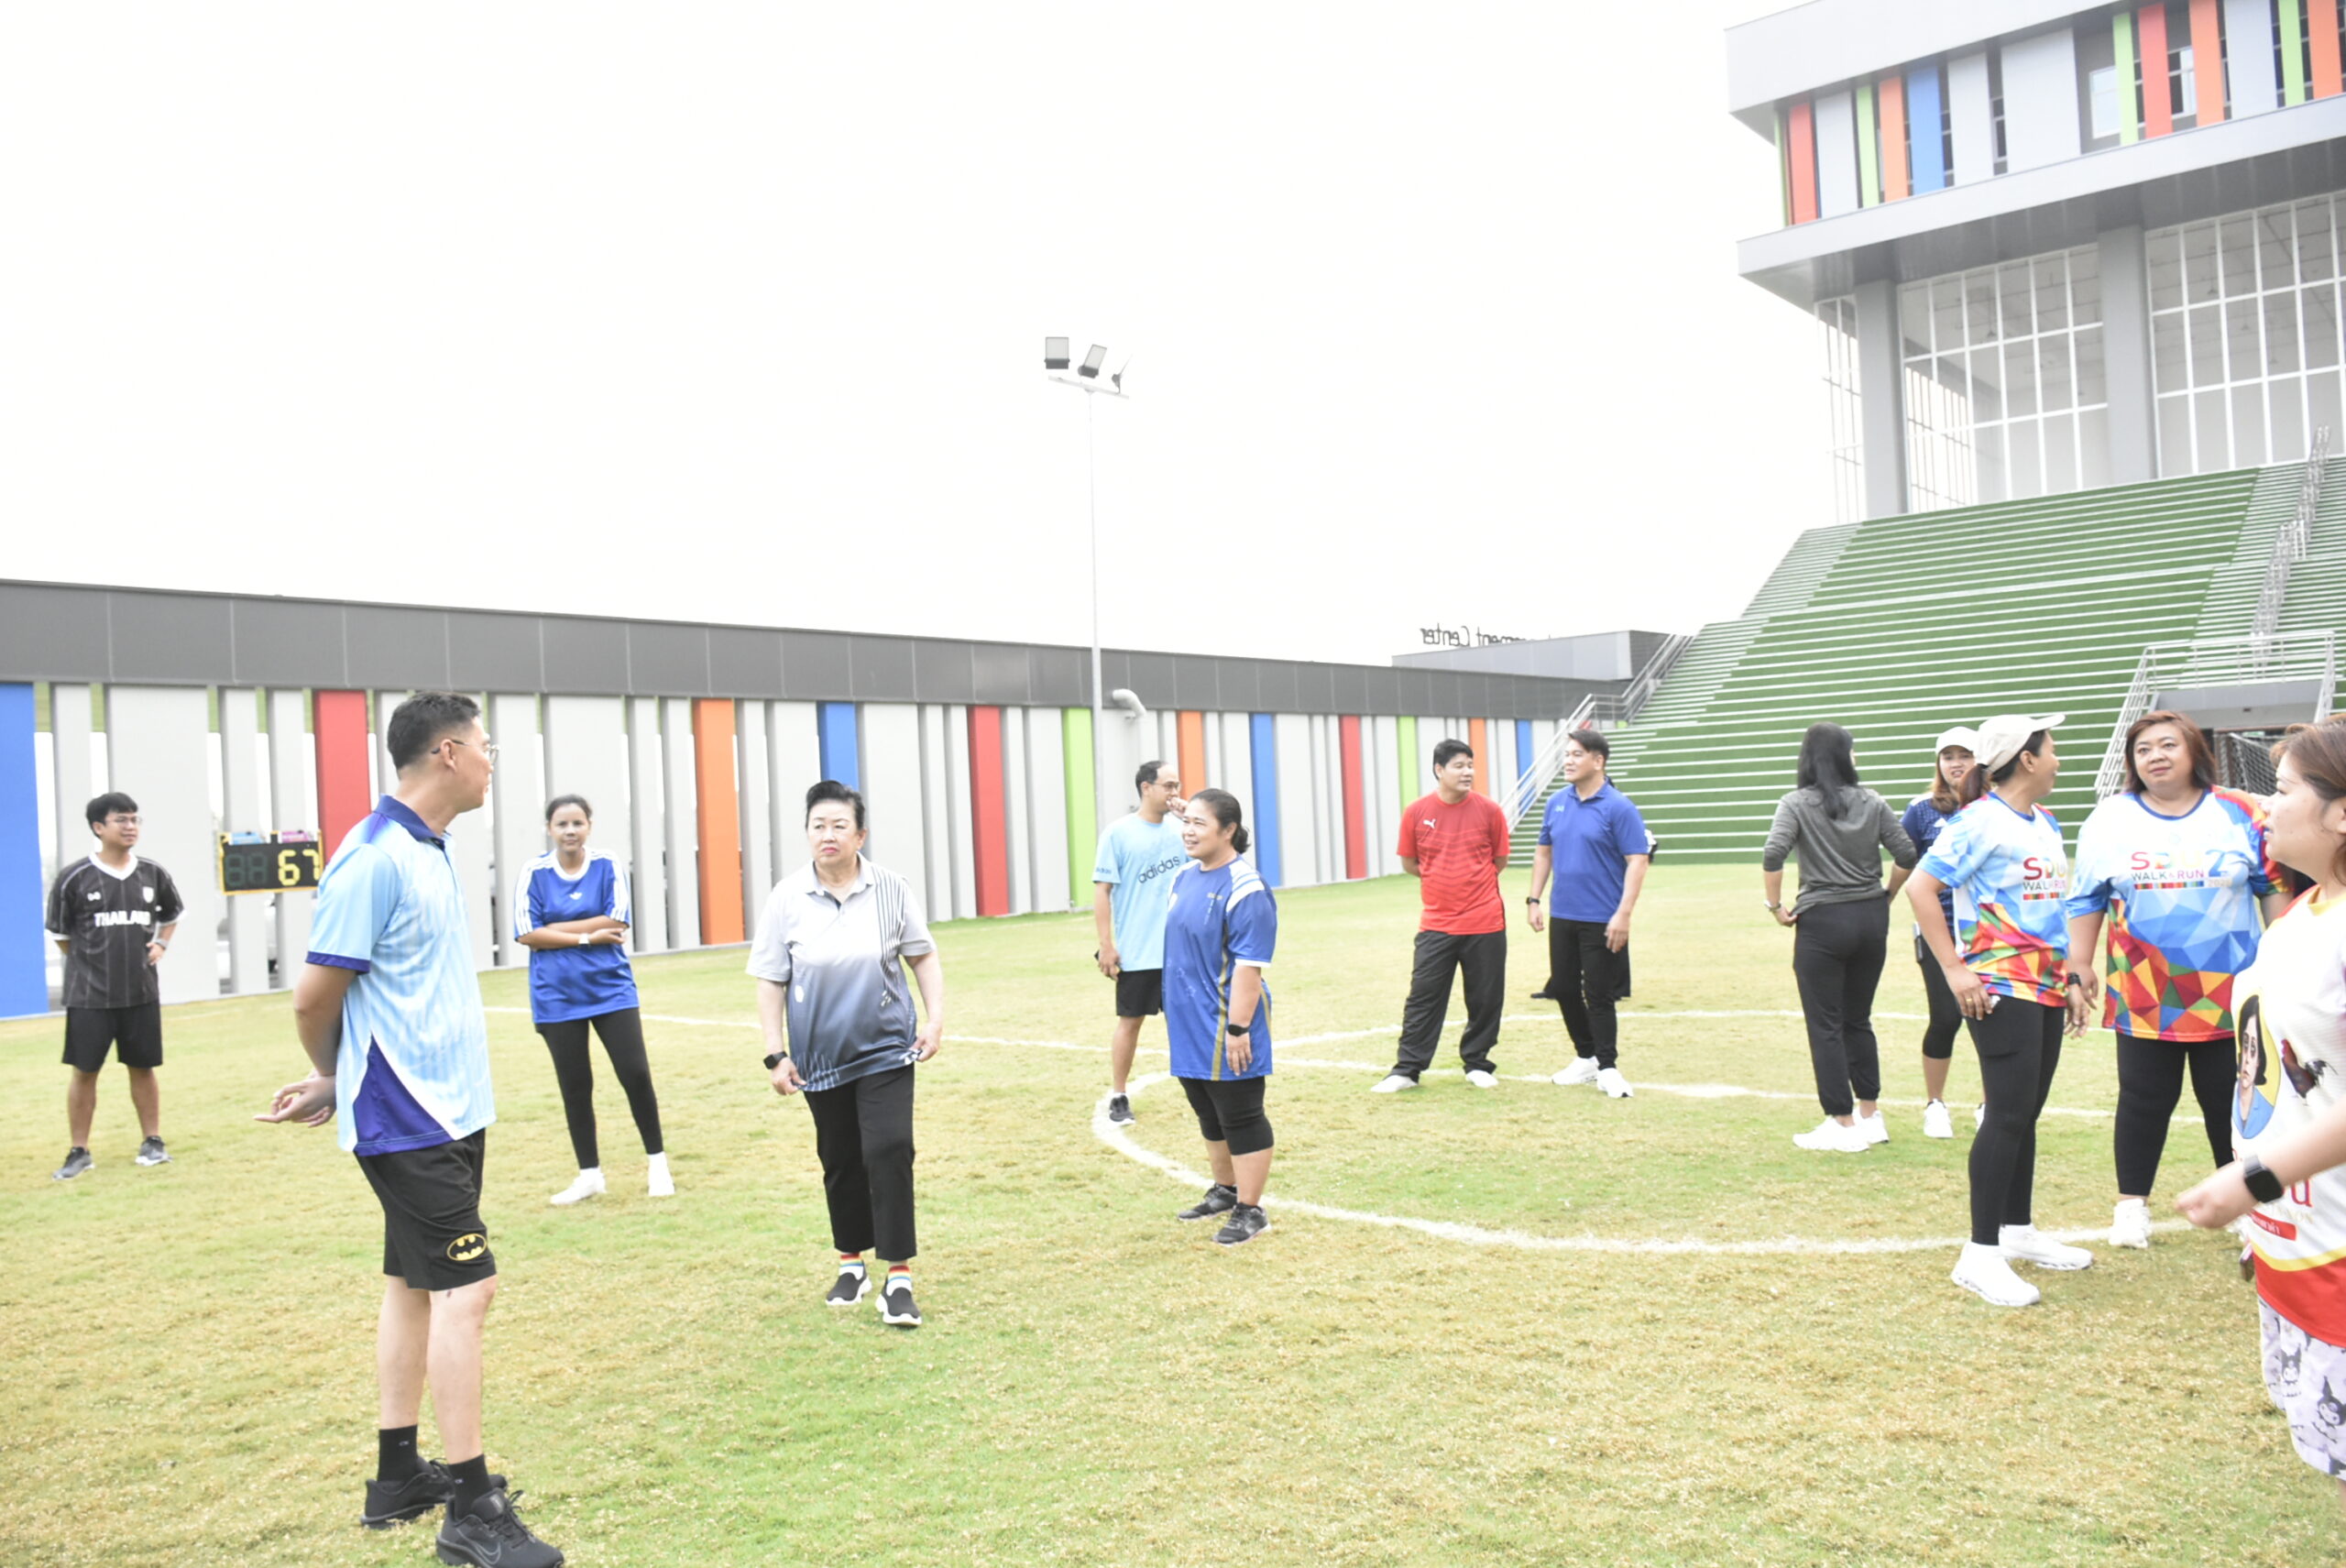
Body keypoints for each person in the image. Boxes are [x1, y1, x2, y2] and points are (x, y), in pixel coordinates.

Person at [255, 693, 564, 1567]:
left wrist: (340, 1075)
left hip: (449, 1106)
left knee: (414, 1282)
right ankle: (471, 1507)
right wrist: (335, 1075)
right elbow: (314, 996)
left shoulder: (432, 846)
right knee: (470, 1289)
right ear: (449, 753)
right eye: (486, 745)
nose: (493, 760)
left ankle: (397, 1474)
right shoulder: (373, 858)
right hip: (407, 1113)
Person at [2176, 717, 2346, 1506]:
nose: (2262, 806)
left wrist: (2254, 1179)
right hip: (2297, 1240)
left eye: (2280, 789)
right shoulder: (2304, 910)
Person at [2066, 712, 2283, 1248]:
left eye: (2167, 745)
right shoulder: (2110, 818)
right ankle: (2131, 1207)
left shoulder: (2240, 810)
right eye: (2143, 749)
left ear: (2193, 751)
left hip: (2232, 991)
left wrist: (2283, 958)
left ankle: (2245, 1206)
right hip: (2145, 992)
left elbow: (2272, 887)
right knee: (2143, 1099)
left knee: (2231, 1102)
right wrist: (2080, 964)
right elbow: (2086, 899)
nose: (2155, 756)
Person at [1906, 713, 2095, 1309]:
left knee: (2024, 1112)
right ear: (2028, 758)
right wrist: (1955, 969)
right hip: (1998, 986)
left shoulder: (2045, 820)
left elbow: (2054, 907)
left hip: (2044, 983)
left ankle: (2017, 1230)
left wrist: (2069, 975)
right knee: (2006, 1113)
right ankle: (1980, 1254)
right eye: (2051, 748)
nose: (2058, 758)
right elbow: (1919, 888)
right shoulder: (1978, 821)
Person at [750, 780, 944, 1329]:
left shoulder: (891, 888)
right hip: (818, 1055)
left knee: (890, 1148)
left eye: (839, 825)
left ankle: (898, 1276)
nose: (827, 835)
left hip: (886, 1047)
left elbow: (922, 956)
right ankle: (850, 1263)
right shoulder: (786, 897)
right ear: (807, 834)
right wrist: (775, 1054)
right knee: (839, 1158)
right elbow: (770, 978)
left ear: (860, 835)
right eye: (818, 826)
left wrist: (934, 1021)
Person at [1761, 723, 1918, 1153]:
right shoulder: (1872, 801)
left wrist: (1775, 906)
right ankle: (1870, 1114)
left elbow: (1774, 852)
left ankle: (1842, 1122)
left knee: (1825, 1024)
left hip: (1823, 920)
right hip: (1870, 917)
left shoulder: (1795, 803)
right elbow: (1906, 853)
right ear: (1845, 756)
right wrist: (1887, 894)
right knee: (1857, 1018)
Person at [513, 794, 671, 1204]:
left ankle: (658, 1165)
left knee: (635, 1073)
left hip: (610, 989)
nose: (570, 831)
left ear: (589, 826)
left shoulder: (607, 864)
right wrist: (587, 936)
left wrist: (554, 930)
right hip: (556, 996)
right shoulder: (534, 872)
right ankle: (589, 1175)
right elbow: (526, 933)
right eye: (562, 824)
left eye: (577, 823)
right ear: (549, 829)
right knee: (575, 1085)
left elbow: (616, 921)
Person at [1161, 788, 1279, 1246]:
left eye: (1200, 824)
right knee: (1207, 1108)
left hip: (1227, 1019)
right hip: (1187, 1018)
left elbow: (1250, 966)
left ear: (1228, 831)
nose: (1188, 832)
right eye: (1186, 822)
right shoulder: (1184, 876)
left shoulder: (1246, 887)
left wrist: (1238, 1028)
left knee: (1240, 1113)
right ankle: (1226, 1190)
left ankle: (1251, 1210)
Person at [44, 791, 182, 1179]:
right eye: (121, 820)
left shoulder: (153, 873)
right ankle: (79, 1151)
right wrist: (92, 962)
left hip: (140, 992)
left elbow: (172, 914)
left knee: (143, 1067)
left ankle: (153, 1142)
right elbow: (61, 934)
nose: (130, 826)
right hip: (89, 996)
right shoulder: (74, 877)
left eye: (135, 819)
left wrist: (161, 943)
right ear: (98, 827)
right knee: (84, 1071)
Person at [1375, 739, 1511, 1094]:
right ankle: (1407, 1069)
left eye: (1470, 765)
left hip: (1485, 921)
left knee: (1485, 998)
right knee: (1423, 997)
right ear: (1439, 770)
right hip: (1437, 923)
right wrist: (1441, 877)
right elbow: (1410, 862)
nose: (1468, 772)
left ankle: (1477, 1063)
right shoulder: (1416, 812)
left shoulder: (1490, 811)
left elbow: (1499, 860)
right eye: (1459, 766)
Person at [1527, 728, 1650, 1099]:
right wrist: (1534, 900)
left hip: (1602, 917)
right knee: (1564, 988)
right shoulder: (1556, 802)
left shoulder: (1619, 807)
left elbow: (1637, 860)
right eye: (1566, 754)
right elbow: (1544, 852)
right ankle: (1586, 1057)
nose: (1568, 761)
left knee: (1599, 995)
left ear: (1598, 761)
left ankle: (1608, 1068)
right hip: (1563, 914)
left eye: (1577, 754)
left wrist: (1623, 914)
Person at [1884, 727, 1979, 1139]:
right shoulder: (1922, 809)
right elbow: (1905, 859)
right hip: (1938, 930)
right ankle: (1935, 1105)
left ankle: (1990, 1104)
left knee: (1993, 1022)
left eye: (1965, 755)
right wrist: (1886, 896)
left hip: (1989, 932)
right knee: (1945, 1017)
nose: (1956, 763)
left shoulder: (1995, 805)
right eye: (1948, 756)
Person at [1091, 760, 1187, 1126]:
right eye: (1169, 785)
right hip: (1138, 951)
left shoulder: (1184, 829)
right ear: (1146, 788)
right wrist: (1106, 945)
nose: (1175, 792)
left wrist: (1190, 816)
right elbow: (1103, 891)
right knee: (1130, 1023)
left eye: (1177, 786)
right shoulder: (1118, 833)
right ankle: (1119, 1095)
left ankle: (1200, 1090)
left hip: (1182, 952)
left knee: (1187, 1022)